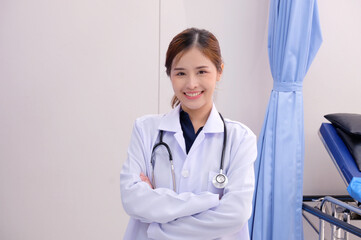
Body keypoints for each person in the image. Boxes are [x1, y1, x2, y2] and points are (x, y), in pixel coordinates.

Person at [120, 28, 257, 240]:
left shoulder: (241, 139)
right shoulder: (145, 130)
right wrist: (210, 201)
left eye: (201, 71)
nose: (191, 84)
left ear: (219, 71)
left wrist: (157, 227)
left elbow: (235, 215)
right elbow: (133, 200)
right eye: (181, 73)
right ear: (170, 75)